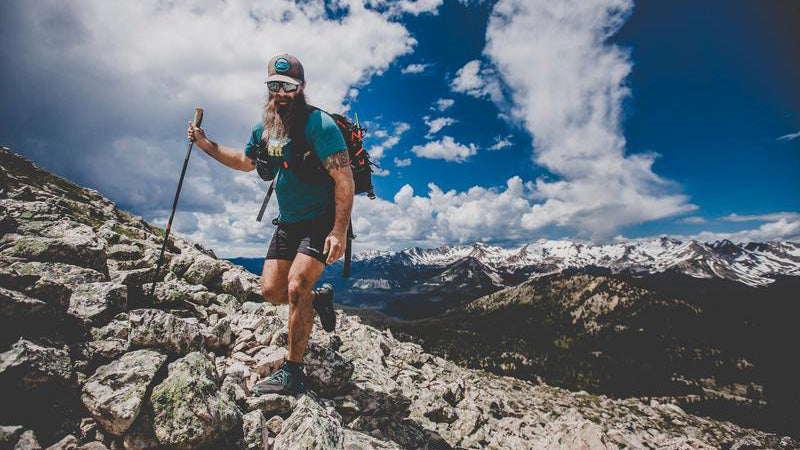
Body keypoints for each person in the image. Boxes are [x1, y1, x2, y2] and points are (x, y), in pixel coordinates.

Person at [187, 54, 354, 395]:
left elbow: (344, 179)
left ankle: (293, 371)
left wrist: (338, 230)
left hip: (320, 221)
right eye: (275, 85)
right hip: (288, 222)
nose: (281, 93)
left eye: (289, 86)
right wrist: (205, 144)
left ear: (301, 88)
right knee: (272, 292)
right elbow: (244, 161)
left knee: (296, 286)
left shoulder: (319, 125)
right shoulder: (264, 129)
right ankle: (318, 299)